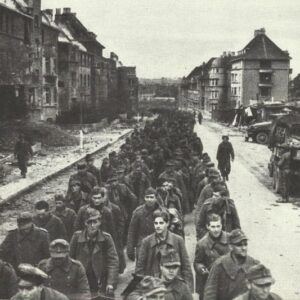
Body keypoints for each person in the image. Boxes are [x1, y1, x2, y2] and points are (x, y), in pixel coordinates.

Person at [135, 210, 194, 292]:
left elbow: (186, 267)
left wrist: (189, 291)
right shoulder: (146, 242)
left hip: (174, 284)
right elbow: (139, 269)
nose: (158, 226)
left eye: (161, 223)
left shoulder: (178, 240)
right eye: (156, 223)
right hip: (154, 286)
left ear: (167, 224)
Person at [70, 208, 119, 298]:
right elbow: (70, 260)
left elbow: (113, 261)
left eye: (95, 222)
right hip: (82, 279)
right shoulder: (77, 237)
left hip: (101, 280)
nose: (92, 225)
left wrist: (110, 283)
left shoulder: (106, 238)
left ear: (99, 223)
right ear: (85, 223)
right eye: (89, 222)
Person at [204, 229, 259, 300]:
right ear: (230, 247)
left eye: (245, 244)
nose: (244, 248)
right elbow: (210, 293)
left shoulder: (253, 264)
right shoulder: (219, 265)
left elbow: (260, 292)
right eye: (239, 245)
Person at [194, 214, 230, 300]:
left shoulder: (230, 238)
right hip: (211, 282)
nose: (216, 229)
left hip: (228, 281)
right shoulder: (202, 244)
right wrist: (202, 268)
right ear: (207, 226)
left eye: (218, 226)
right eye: (213, 227)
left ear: (222, 226)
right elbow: (197, 262)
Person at [127, 187, 160, 262]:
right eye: (147, 197)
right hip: (142, 244)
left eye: (152, 197)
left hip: (159, 243)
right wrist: (130, 249)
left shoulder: (162, 211)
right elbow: (132, 231)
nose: (149, 199)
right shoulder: (138, 212)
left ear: (156, 198)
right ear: (144, 198)